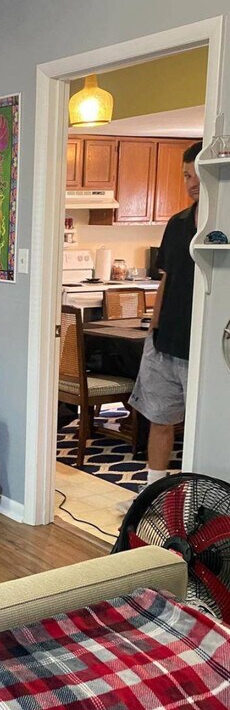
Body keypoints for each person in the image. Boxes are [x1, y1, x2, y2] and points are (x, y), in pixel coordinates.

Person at [129, 140, 201, 487]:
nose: (192, 183)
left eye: (198, 174)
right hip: (164, 342)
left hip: (200, 350)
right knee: (159, 419)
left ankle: (196, 498)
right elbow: (166, 281)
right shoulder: (177, 224)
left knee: (202, 427)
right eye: (187, 175)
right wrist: (153, 331)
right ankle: (152, 491)